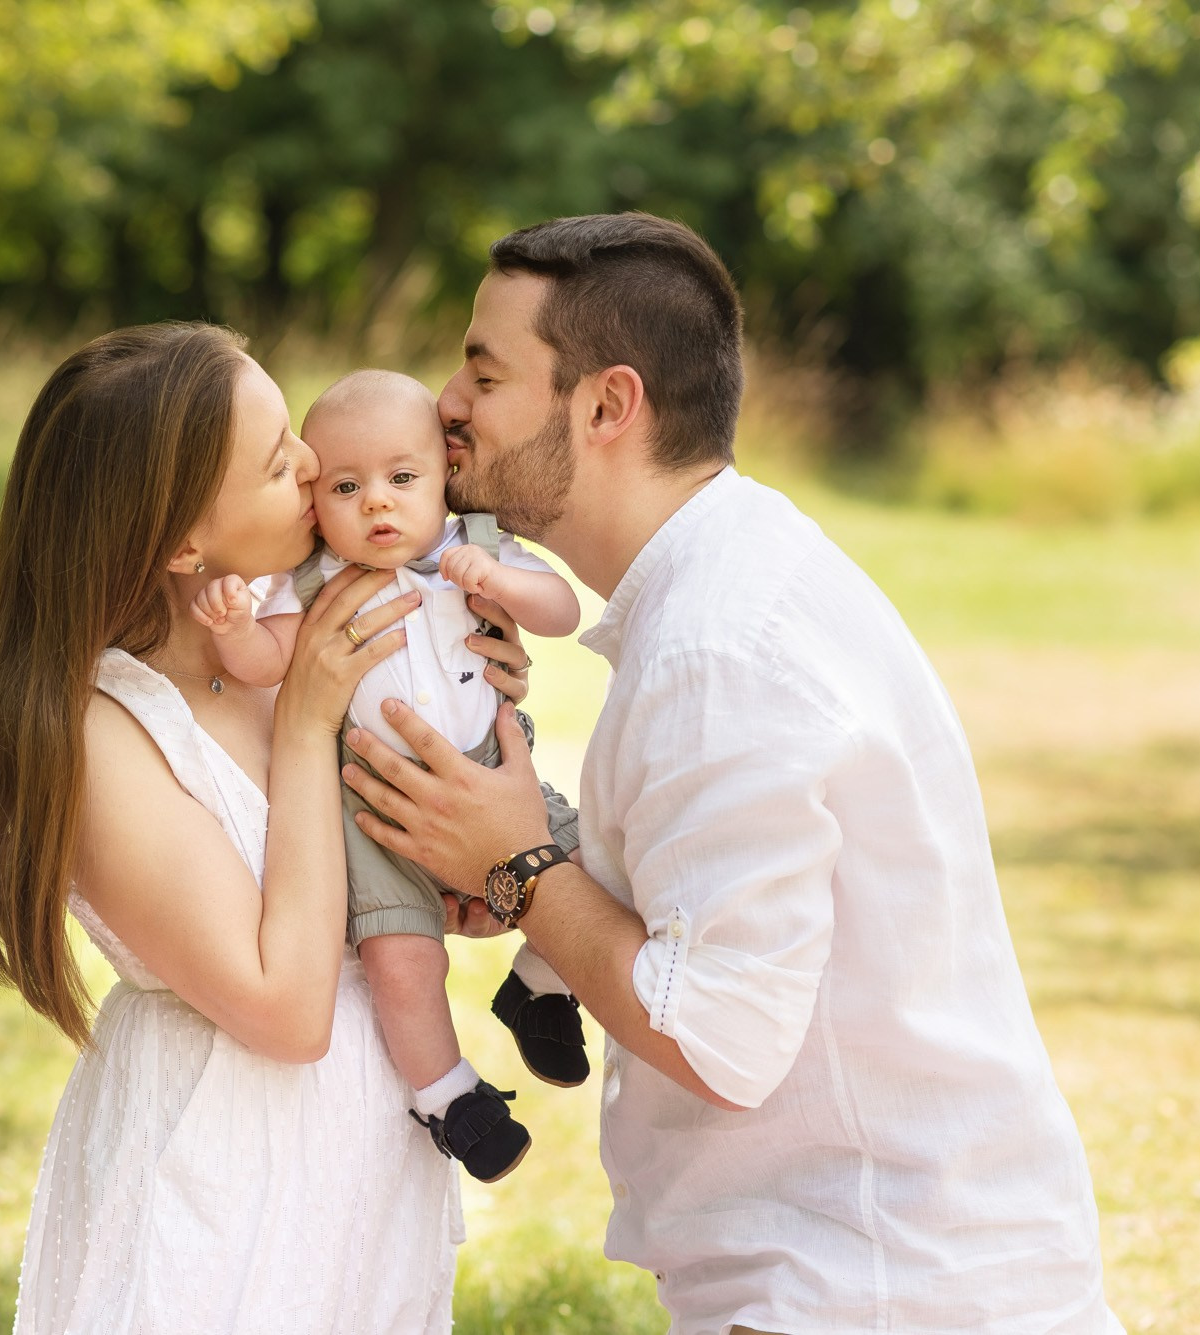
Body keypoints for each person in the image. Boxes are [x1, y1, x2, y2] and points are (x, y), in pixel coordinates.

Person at [339, 214, 1124, 1334]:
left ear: (606, 406)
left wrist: (517, 865)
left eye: (482, 370)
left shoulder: (720, 648)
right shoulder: (732, 579)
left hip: (864, 1284)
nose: (446, 404)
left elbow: (714, 1039)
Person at [0, 322, 532, 1334]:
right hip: (218, 1177)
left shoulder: (287, 625)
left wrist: (471, 729)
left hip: (357, 1160)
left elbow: (368, 883)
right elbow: (284, 1010)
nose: (312, 464)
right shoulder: (101, 736)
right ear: (181, 544)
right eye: (274, 464)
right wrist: (304, 723)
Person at [195, 369, 587, 1183]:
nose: (377, 502)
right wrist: (236, 632)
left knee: (596, 864)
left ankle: (541, 984)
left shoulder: (473, 545)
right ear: (316, 501)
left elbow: (560, 610)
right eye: (346, 486)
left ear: (444, 472)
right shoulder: (316, 583)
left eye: (401, 479)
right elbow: (270, 661)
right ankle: (448, 1096)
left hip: (491, 774)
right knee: (401, 962)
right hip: (374, 816)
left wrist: (499, 581)